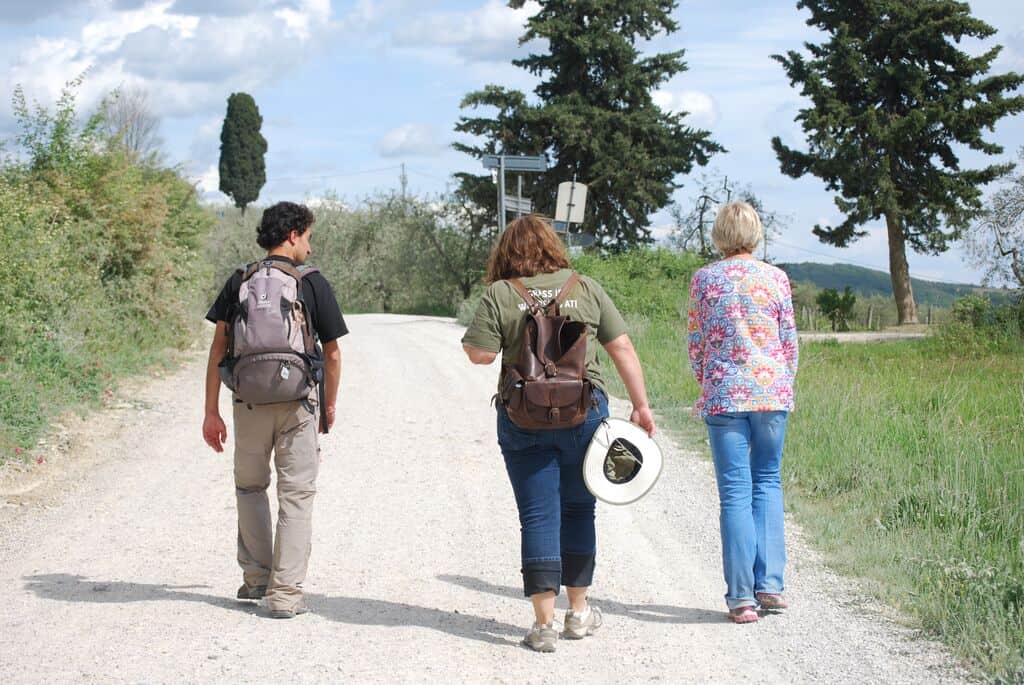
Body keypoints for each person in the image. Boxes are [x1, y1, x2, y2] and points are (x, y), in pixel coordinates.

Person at [461, 215, 657, 652]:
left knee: (537, 516)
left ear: (507, 253)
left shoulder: (500, 293)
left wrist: (495, 338)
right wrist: (641, 406)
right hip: (583, 414)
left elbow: (480, 355)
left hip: (523, 417)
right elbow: (621, 345)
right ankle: (579, 613)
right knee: (578, 510)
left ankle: (543, 624)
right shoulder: (583, 287)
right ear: (552, 246)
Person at [201, 201, 347, 619]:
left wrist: (211, 411)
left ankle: (256, 579)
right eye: (309, 238)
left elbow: (218, 349)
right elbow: (333, 355)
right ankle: (284, 595)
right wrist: (329, 404)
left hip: (247, 403)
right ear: (293, 234)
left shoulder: (239, 280)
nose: (310, 249)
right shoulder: (311, 282)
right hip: (298, 402)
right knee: (296, 496)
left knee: (249, 488)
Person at [686, 201, 799, 624]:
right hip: (771, 393)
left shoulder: (704, 280)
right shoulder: (776, 279)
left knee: (735, 492)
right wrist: (782, 383)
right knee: (767, 482)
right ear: (755, 233)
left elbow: (697, 342)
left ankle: (741, 599)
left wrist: (708, 380)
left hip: (724, 396)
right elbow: (788, 342)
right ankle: (770, 585)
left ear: (719, 235)